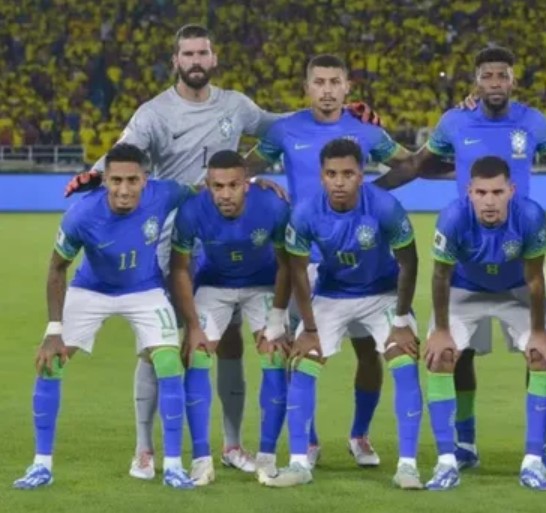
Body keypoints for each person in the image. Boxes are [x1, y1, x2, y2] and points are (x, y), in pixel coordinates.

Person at [63, 25, 379, 478]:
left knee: (229, 344)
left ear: (213, 59)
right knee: (159, 345)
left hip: (225, 235)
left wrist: (340, 113)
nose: (195, 61)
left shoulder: (235, 105)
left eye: (202, 53)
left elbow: (283, 124)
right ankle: (144, 448)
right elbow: (121, 152)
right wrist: (93, 177)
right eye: (188, 54)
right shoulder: (154, 113)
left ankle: (231, 445)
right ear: (176, 60)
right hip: (170, 239)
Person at [379, 46, 546, 478]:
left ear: (513, 80)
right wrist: (373, 190)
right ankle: (463, 444)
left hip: (519, 260)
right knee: (456, 355)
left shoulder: (533, 122)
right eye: (487, 76)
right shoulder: (455, 121)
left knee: (539, 351)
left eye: (502, 75)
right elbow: (418, 165)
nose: (495, 83)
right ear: (476, 81)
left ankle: (537, 451)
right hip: (467, 264)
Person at [248, 54, 421, 466]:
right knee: (300, 349)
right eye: (319, 82)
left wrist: (373, 191)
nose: (327, 90)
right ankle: (307, 441)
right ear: (307, 87)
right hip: (304, 259)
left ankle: (359, 434)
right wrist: (256, 180)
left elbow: (412, 163)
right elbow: (241, 169)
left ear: (347, 87)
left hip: (360, 258)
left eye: (334, 82)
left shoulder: (367, 131)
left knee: (368, 353)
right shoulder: (285, 129)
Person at [13, 144, 195, 490]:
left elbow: (203, 189)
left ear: (145, 180)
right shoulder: (82, 215)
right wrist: (54, 330)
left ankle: (173, 466)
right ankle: (41, 465)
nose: (124, 189)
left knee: (169, 362)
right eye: (116, 181)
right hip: (91, 290)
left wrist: (256, 183)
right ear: (105, 180)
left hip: (144, 289)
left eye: (132, 180)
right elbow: (57, 268)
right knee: (50, 362)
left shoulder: (165, 193)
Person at [263, 138, 423, 489]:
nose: (339, 181)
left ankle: (407, 466)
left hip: (382, 293)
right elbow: (297, 270)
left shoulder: (384, 206)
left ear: (361, 175)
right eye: (332, 174)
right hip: (332, 293)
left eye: (348, 174)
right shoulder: (305, 212)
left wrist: (401, 322)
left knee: (403, 357)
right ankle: (299, 463)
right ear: (321, 175)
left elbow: (409, 264)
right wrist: (308, 329)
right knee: (304, 360)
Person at [424, 156, 546, 491]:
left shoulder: (530, 216)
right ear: (469, 192)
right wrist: (441, 332)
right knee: (441, 357)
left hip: (516, 290)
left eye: (497, 192)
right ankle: (452, 457)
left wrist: (538, 332)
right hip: (464, 289)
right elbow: (440, 276)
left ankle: (535, 459)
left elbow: (535, 278)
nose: (489, 201)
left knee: (542, 356)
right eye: (481, 192)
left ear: (512, 190)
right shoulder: (453, 217)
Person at [169, 150, 291, 485]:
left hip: (262, 285)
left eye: (233, 185)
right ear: (207, 185)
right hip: (214, 285)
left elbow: (287, 264)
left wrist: (277, 318)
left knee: (275, 354)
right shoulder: (191, 211)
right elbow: (179, 269)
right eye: (218, 186)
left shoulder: (273, 206)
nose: (225, 194)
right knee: (196, 355)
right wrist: (193, 326)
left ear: (246, 183)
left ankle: (267, 459)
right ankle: (201, 460)